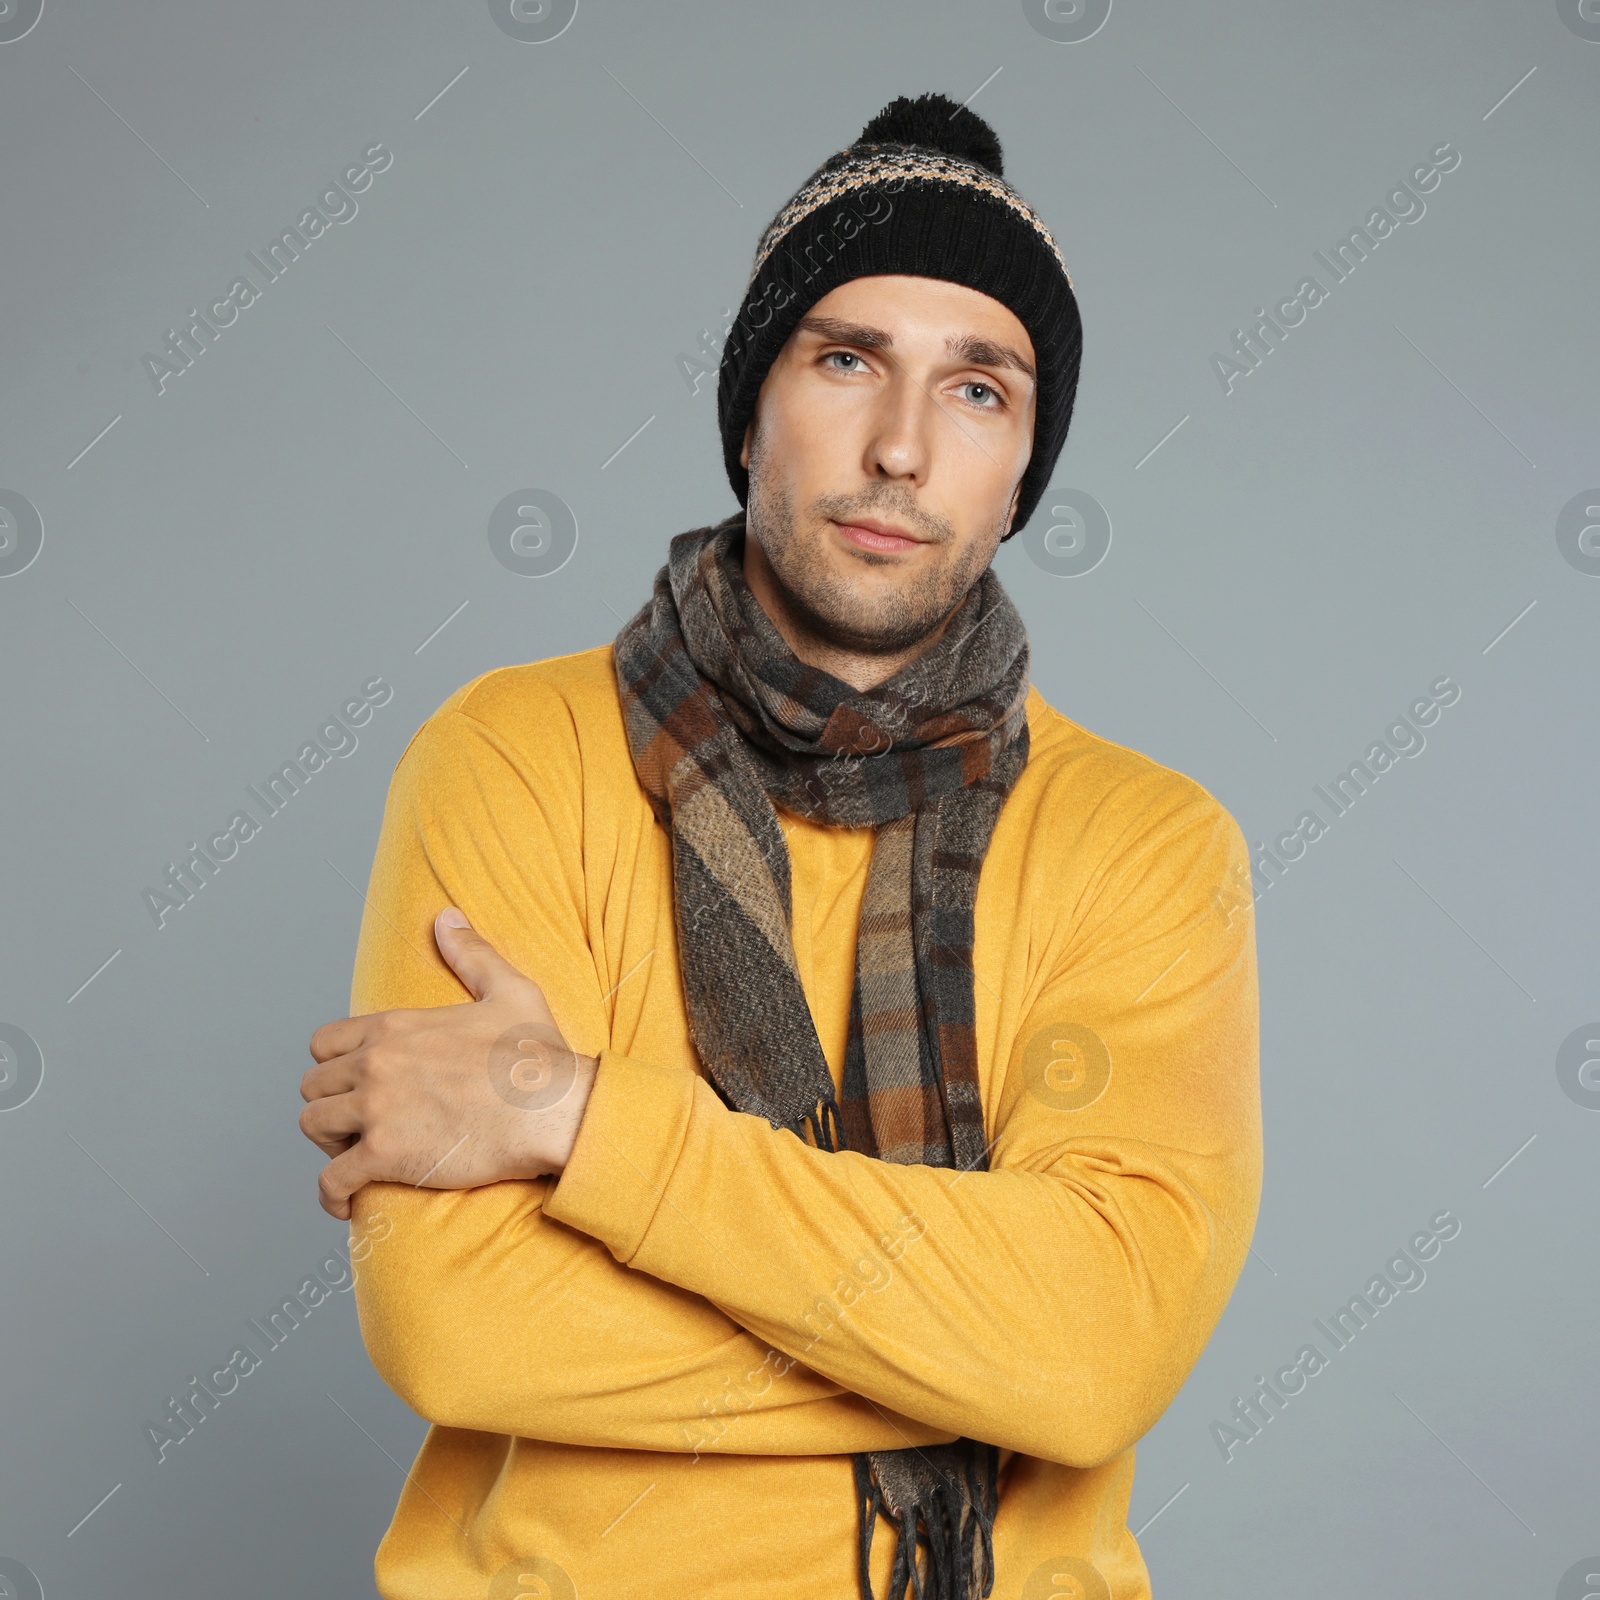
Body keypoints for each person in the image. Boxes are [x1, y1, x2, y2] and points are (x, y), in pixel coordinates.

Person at [299, 91, 1262, 1600]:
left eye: (979, 392)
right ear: (752, 405)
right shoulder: (513, 756)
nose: (899, 449)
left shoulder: (1145, 842)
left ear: (1023, 475)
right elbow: (456, 1324)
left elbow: (1094, 1357)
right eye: (846, 360)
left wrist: (576, 1114)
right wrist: (966, 1348)